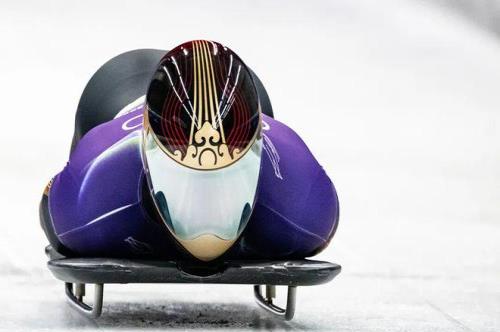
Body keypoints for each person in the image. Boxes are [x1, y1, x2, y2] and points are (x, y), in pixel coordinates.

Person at [40, 40, 339, 263]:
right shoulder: (93, 189)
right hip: (119, 85)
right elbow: (51, 209)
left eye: (226, 179)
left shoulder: (306, 205)